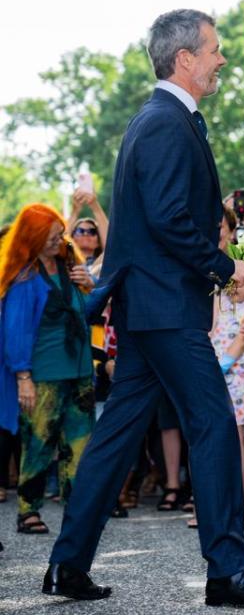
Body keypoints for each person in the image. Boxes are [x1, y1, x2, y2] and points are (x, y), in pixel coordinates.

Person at [43, 9, 244, 607]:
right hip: (162, 309)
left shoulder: (160, 121)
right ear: (185, 58)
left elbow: (157, 220)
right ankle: (227, 574)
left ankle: (67, 566)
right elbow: (167, 219)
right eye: (215, 50)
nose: (222, 60)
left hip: (149, 308)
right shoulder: (163, 122)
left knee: (116, 437)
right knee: (213, 426)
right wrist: (226, 265)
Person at [0, 204, 95, 535]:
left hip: (80, 372)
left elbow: (86, 314)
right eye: (53, 235)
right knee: (39, 443)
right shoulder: (24, 277)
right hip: (43, 374)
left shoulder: (72, 268)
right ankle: (28, 510)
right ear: (36, 237)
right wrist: (23, 377)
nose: (61, 239)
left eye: (60, 234)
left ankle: (77, 510)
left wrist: (90, 285)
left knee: (80, 445)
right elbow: (15, 331)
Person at [209, 211, 244, 529]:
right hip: (214, 368)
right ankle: (212, 506)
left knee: (236, 438)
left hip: (239, 372)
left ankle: (235, 505)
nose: (238, 281)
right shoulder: (216, 295)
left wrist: (223, 365)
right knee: (212, 437)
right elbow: (209, 327)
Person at [66, 190, 109, 265]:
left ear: (98, 242)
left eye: (92, 231)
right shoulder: (63, 264)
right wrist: (75, 211)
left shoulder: (102, 265)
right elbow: (60, 241)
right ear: (72, 239)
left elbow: (110, 243)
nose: (86, 234)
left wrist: (94, 205)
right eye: (80, 231)